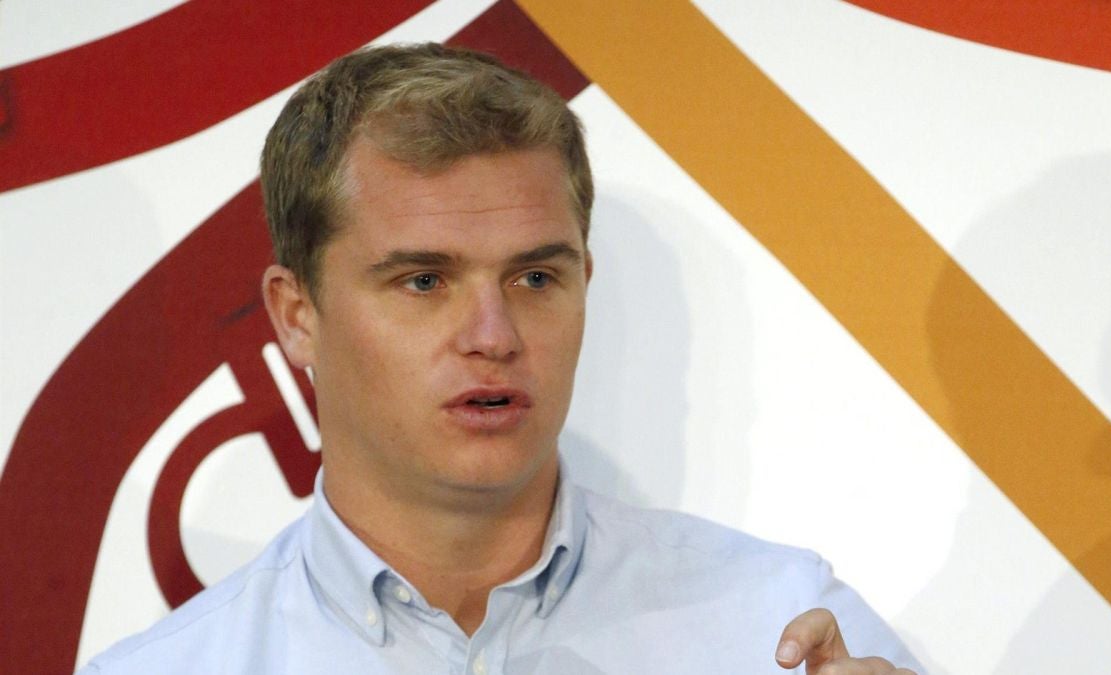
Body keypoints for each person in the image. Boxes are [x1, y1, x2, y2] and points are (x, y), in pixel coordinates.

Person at [82, 43, 920, 674]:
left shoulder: (782, 630)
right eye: (423, 280)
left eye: (535, 277)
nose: (494, 333)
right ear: (297, 316)